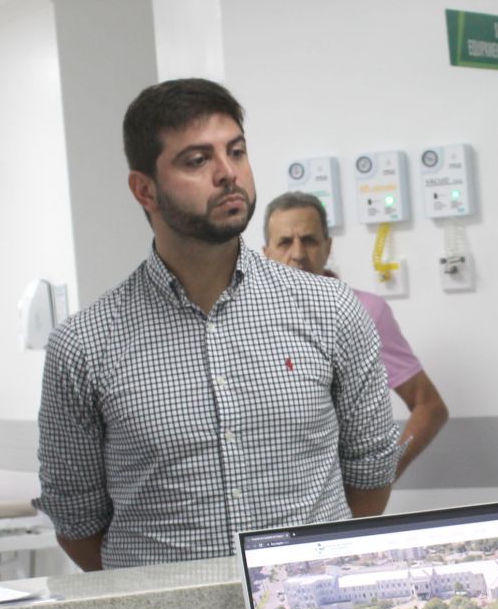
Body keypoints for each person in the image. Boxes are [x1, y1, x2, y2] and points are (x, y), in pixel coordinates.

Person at [36, 78, 400, 569]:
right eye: (197, 160)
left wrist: (308, 573)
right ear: (144, 189)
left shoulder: (330, 309)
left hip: (305, 605)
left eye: (237, 152)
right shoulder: (84, 345)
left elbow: (371, 471)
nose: (228, 174)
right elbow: (77, 521)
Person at [262, 191, 449, 478]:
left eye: (309, 240)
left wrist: (381, 477)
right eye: (285, 242)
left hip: (341, 497)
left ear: (328, 247)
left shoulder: (365, 312)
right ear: (266, 253)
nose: (298, 254)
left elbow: (430, 407)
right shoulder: (247, 321)